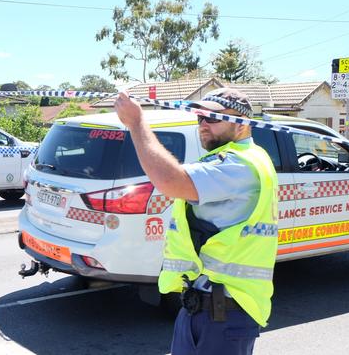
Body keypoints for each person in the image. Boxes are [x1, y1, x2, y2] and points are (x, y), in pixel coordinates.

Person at [115, 88, 278, 355]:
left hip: (224, 314)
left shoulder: (240, 165)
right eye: (200, 117)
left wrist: (136, 123)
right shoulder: (234, 159)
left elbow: (170, 180)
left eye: (212, 117)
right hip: (203, 308)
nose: (203, 124)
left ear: (242, 122)